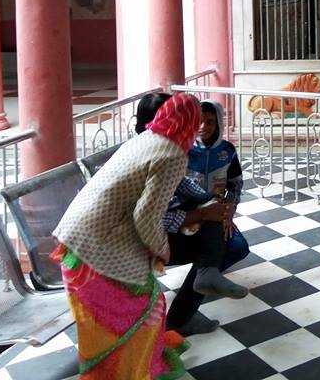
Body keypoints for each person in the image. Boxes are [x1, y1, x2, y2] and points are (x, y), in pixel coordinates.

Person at [53, 93, 203, 380]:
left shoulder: (145, 138)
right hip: (98, 247)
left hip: (76, 240)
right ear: (192, 124)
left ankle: (125, 369)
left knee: (123, 315)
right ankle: (133, 372)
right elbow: (146, 216)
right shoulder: (172, 154)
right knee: (148, 310)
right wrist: (163, 250)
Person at [163, 100, 250, 335]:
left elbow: (235, 185)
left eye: (210, 121)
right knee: (218, 252)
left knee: (238, 247)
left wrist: (228, 210)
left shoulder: (227, 151)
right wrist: (203, 211)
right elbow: (169, 204)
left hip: (212, 212)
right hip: (182, 217)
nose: (204, 126)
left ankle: (206, 274)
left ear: (218, 123)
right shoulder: (182, 150)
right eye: (199, 121)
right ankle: (183, 315)